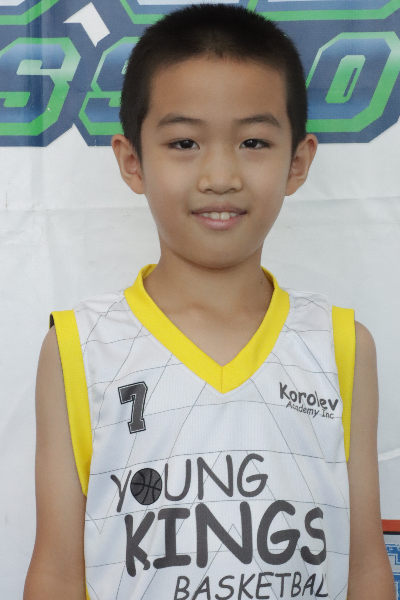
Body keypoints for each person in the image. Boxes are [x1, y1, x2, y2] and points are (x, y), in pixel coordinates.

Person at [24, 5, 395, 600]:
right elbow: (57, 573)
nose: (220, 175)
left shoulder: (342, 345)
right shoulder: (79, 348)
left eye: (253, 141)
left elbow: (365, 567)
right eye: (184, 142)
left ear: (298, 161)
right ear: (132, 161)